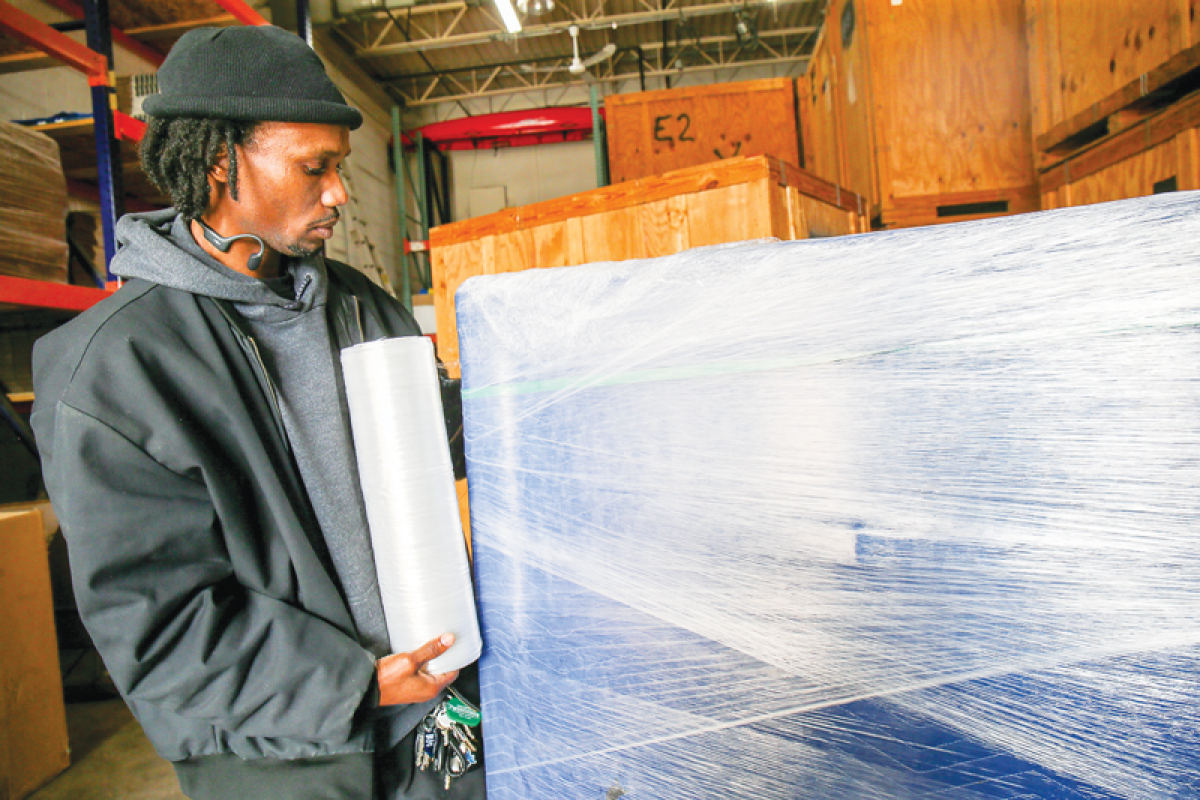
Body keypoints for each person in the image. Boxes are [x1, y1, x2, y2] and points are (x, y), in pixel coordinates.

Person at [30, 25, 484, 800]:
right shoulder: (114, 370)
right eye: (317, 168)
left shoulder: (362, 309)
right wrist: (355, 689)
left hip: (442, 722)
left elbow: (430, 452)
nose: (339, 192)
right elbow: (161, 623)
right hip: (293, 759)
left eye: (338, 168)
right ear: (217, 162)